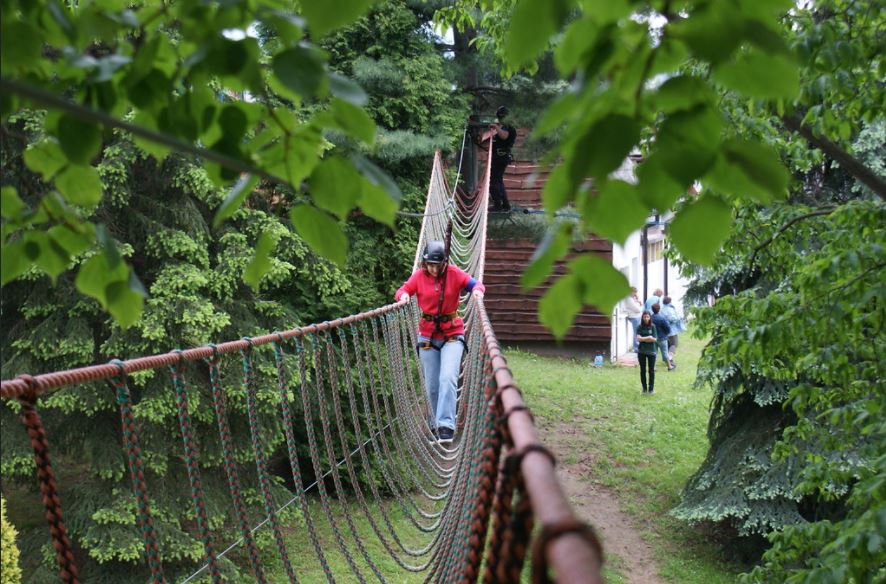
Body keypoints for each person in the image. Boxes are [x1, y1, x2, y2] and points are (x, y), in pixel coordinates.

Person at [395, 240, 486, 445]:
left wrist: (478, 291)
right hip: (427, 336)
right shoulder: (419, 276)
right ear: (424, 263)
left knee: (448, 378)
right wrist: (404, 297)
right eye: (430, 265)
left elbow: (475, 284)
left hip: (452, 333)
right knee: (432, 386)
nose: (434, 269)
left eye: (437, 265)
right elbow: (402, 290)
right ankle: (436, 425)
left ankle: (446, 426)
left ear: (444, 263)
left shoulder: (454, 273)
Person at [488, 105, 516, 212]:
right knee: (497, 181)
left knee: (494, 181)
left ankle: (498, 205)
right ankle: (505, 205)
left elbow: (504, 136)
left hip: (500, 158)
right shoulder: (505, 126)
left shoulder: (508, 126)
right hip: (500, 157)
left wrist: (496, 127)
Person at [636, 311, 658, 394]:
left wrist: (643, 338)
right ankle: (644, 389)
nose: (646, 318)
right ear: (642, 317)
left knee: (651, 371)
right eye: (644, 317)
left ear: (650, 317)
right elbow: (638, 339)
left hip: (651, 352)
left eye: (647, 317)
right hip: (641, 351)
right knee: (642, 370)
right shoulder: (639, 327)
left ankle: (651, 389)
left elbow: (655, 339)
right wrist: (648, 337)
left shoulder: (653, 326)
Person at [660, 296, 685, 365]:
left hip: (664, 330)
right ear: (669, 302)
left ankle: (666, 359)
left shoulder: (661, 309)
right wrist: (679, 317)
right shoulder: (670, 309)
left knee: (668, 345)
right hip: (671, 330)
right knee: (674, 344)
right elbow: (672, 318)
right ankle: (669, 358)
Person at [651, 303, 674, 370]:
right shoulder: (662, 318)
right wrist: (666, 333)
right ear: (659, 309)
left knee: (654, 353)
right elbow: (667, 328)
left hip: (653, 338)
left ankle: (653, 367)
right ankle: (669, 366)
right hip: (662, 338)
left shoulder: (651, 318)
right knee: (665, 353)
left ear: (652, 309)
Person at [622, 287, 644, 352]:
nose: (635, 294)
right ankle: (636, 348)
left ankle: (637, 347)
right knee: (636, 332)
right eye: (634, 292)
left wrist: (638, 301)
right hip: (634, 317)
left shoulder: (632, 299)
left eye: (636, 292)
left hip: (636, 316)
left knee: (637, 332)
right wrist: (641, 306)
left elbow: (639, 306)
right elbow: (637, 309)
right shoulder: (629, 299)